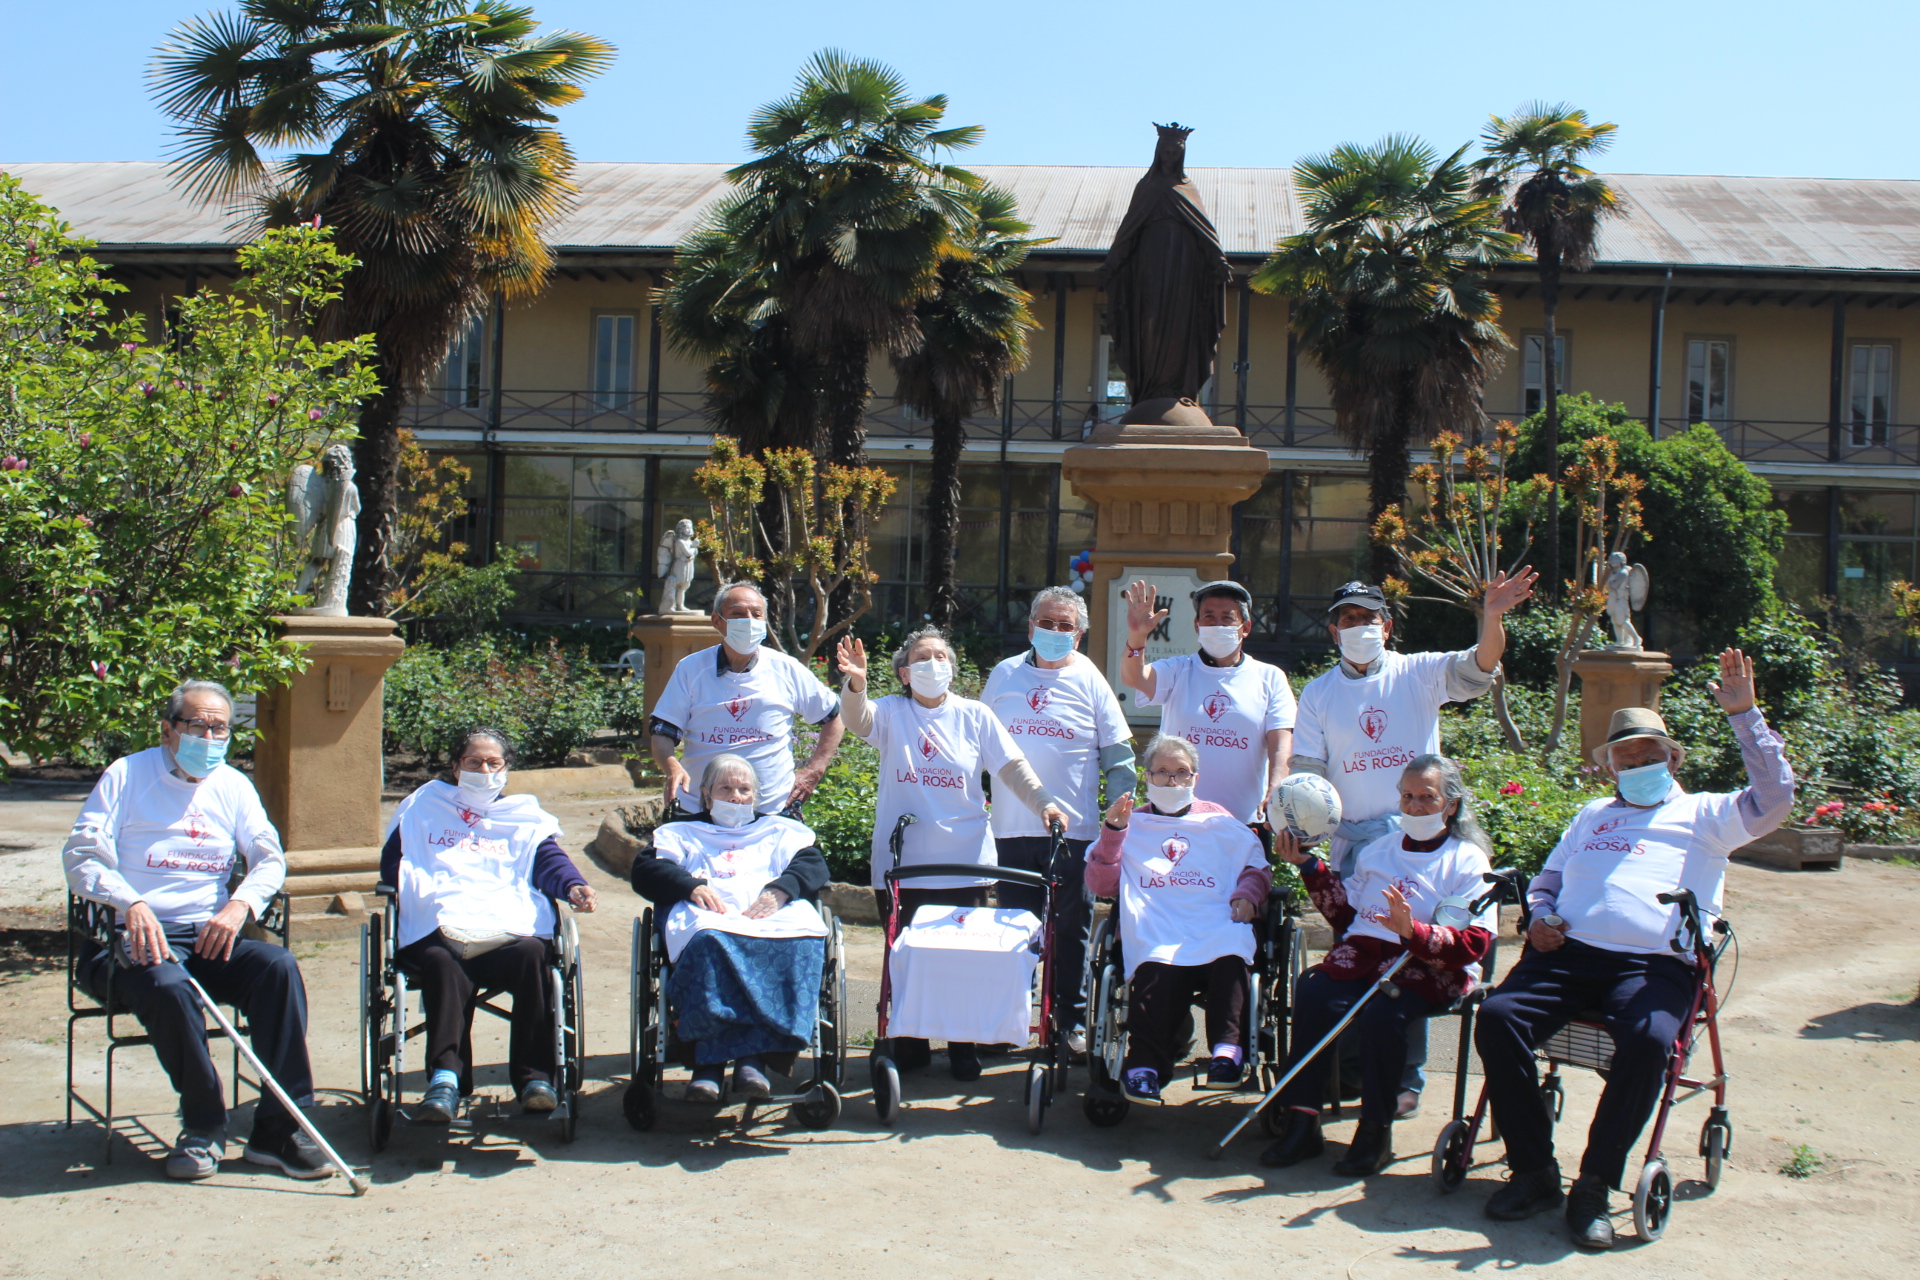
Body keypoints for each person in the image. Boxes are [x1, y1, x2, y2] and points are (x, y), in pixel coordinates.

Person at [1475, 649, 1792, 1250]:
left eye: (1651, 754)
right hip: (1568, 954)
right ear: (1612, 766)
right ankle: (1536, 1170)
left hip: (1654, 966)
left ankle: (1594, 1183)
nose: (1639, 762)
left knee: (1648, 1040)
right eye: (1627, 756)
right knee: (1496, 1017)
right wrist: (1539, 917)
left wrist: (1746, 715)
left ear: (1672, 759)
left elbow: (1775, 800)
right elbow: (1546, 883)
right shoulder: (1591, 815)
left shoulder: (1706, 815)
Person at [1286, 572, 1536, 1118]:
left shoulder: (1417, 673)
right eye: (1348, 620)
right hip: (1356, 848)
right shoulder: (1320, 693)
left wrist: (1491, 617)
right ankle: (1352, 1070)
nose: (1359, 628)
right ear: (1333, 631)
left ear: (1388, 625)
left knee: (1414, 956)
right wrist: (1298, 824)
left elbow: (1478, 668)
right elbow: (1306, 768)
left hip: (1420, 841)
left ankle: (1407, 1080)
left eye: (1368, 618)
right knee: (1357, 957)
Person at [63, 680, 327, 1181]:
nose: (210, 736)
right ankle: (204, 1125)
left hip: (208, 936)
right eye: (197, 725)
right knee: (167, 985)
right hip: (127, 941)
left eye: (220, 727)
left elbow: (269, 858)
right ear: (168, 730)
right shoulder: (126, 775)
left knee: (278, 967)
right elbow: (80, 856)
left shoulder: (232, 785)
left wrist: (239, 906)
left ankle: (280, 1128)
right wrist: (130, 901)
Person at [835, 626, 1068, 1080]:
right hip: (906, 863)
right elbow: (856, 717)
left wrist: (1044, 804)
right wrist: (857, 683)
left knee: (967, 957)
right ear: (904, 673)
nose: (934, 664)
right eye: (922, 658)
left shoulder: (974, 716)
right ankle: (909, 1040)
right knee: (908, 956)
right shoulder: (890, 714)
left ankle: (964, 1044)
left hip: (966, 861)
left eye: (942, 656)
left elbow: (1011, 767)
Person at [1260, 755, 1495, 1176]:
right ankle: (1303, 1118)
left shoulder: (1467, 860)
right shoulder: (1378, 850)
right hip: (1367, 954)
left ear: (1451, 805)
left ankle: (1374, 1131)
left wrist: (1414, 932)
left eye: (1428, 797)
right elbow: (1346, 918)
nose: (1416, 806)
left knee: (1385, 1013)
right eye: (1407, 796)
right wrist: (1310, 867)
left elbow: (1474, 943)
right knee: (1314, 991)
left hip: (1426, 964)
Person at [382, 727, 597, 1122]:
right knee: (442, 961)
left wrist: (573, 885)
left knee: (534, 952)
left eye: (493, 763)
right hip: (441, 925)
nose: (484, 769)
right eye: (474, 762)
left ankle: (536, 1080)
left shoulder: (522, 816)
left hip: (506, 928)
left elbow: (547, 860)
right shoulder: (423, 806)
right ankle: (446, 1079)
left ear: (506, 769)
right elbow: (395, 862)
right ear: (455, 766)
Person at [982, 586, 1137, 1053]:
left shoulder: (1090, 678)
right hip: (1010, 828)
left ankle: (1067, 1020)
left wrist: (1119, 819)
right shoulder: (1004, 675)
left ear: (1080, 634)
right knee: (1013, 926)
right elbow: (976, 744)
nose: (1053, 632)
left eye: (1064, 626)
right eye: (1045, 623)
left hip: (1075, 833)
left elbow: (1119, 757)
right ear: (1030, 627)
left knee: (1071, 928)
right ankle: (1009, 1019)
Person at [630, 754, 832, 1101]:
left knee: (803, 938)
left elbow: (812, 865)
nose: (736, 796)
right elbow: (646, 871)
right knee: (710, 941)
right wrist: (688, 885)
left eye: (744, 789)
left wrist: (782, 890)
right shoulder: (681, 833)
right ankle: (709, 1065)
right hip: (710, 918)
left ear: (756, 795)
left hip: (769, 916)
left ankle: (753, 1061)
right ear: (706, 795)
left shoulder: (780, 830)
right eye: (725, 788)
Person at [1085, 733, 1272, 1103]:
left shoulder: (1219, 821)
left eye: (1182, 773)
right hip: (1158, 925)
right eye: (1162, 773)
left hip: (1213, 921)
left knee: (1232, 949)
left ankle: (1227, 1053)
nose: (1172, 782)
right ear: (1148, 776)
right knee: (1157, 962)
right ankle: (1144, 1066)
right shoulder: (1129, 822)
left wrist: (1247, 895)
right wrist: (1113, 834)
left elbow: (1256, 866)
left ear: (1195, 779)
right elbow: (1101, 884)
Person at [650, 582, 845, 817]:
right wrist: (672, 767)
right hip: (699, 808)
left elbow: (834, 716)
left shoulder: (786, 669)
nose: (749, 621)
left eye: (757, 614)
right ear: (717, 621)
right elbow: (662, 731)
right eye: (738, 614)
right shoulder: (691, 669)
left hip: (772, 810)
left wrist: (814, 771)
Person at [1119, 579, 1294, 823]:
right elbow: (1134, 677)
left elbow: (1281, 742)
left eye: (1227, 617)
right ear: (1197, 625)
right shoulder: (1178, 670)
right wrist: (1137, 636)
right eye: (1209, 617)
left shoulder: (1269, 677)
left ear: (1246, 627)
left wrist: (1277, 787)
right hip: (1176, 819)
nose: (1217, 624)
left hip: (1243, 823)